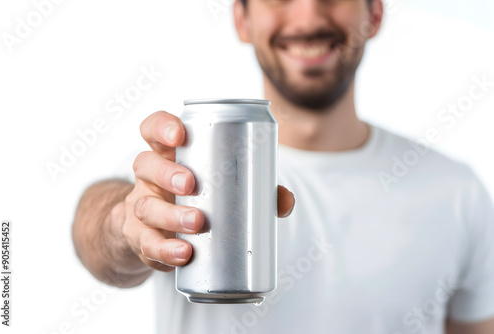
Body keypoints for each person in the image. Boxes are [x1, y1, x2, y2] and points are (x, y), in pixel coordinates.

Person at [72, 0, 494, 333]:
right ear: (242, 18)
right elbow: (101, 232)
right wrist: (127, 223)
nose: (308, 14)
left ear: (375, 12)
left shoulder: (460, 192)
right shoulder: (182, 172)